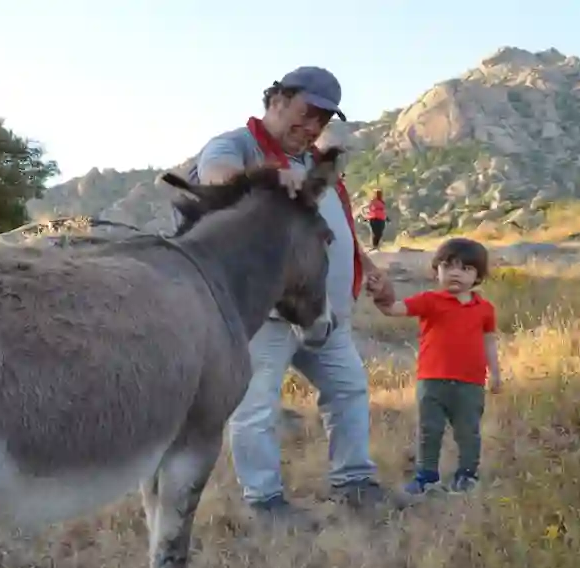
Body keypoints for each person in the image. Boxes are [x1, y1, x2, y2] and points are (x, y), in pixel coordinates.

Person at [186, 66, 401, 522]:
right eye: (305, 113)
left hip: (322, 310)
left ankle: (355, 482)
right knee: (255, 407)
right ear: (278, 101)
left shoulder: (314, 163)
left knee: (348, 391)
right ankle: (264, 502)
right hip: (268, 316)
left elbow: (336, 229)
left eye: (322, 120)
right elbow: (216, 172)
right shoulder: (237, 144)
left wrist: (370, 267)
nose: (311, 127)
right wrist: (264, 177)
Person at [370, 237, 503, 495]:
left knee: (468, 432)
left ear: (478, 276)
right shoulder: (429, 300)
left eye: (465, 268)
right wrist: (380, 296)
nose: (455, 273)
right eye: (448, 266)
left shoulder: (485, 309)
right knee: (429, 430)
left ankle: (467, 475)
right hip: (432, 380)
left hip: (470, 382)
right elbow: (394, 309)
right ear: (436, 270)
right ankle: (426, 477)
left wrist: (495, 373)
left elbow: (489, 342)